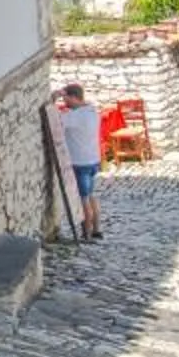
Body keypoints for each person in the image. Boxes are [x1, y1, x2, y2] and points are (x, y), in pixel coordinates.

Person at [56, 83, 106, 240]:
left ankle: (87, 232)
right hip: (93, 160)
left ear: (73, 97)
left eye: (66, 99)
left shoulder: (74, 116)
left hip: (80, 162)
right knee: (91, 195)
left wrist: (53, 98)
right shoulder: (92, 111)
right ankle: (97, 229)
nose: (64, 103)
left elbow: (56, 120)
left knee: (83, 198)